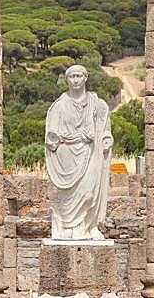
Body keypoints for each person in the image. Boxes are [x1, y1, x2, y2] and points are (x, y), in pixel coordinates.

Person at [44, 64, 113, 240]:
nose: (75, 80)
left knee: (90, 193)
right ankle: (68, 226)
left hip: (91, 152)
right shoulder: (59, 106)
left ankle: (90, 225)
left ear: (86, 77)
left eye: (79, 76)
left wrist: (106, 138)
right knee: (68, 194)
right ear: (66, 80)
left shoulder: (97, 104)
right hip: (67, 154)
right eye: (72, 77)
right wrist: (61, 137)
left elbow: (104, 128)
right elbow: (51, 136)